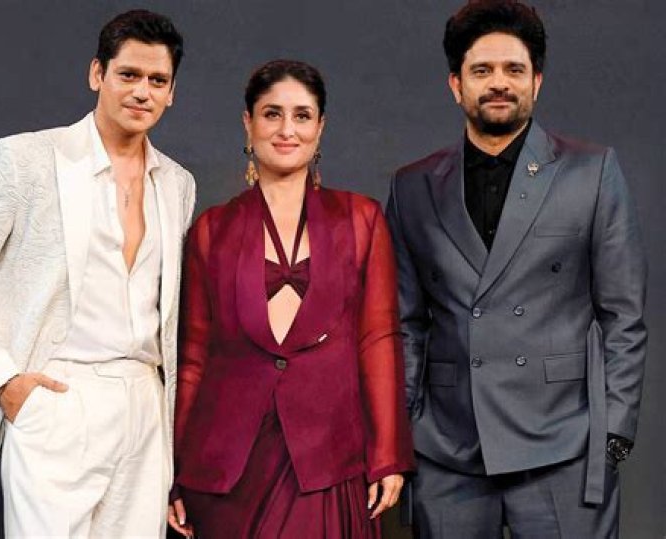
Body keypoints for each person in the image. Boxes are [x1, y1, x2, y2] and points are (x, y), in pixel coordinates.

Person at [387, 1, 647, 537]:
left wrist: (613, 435)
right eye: (482, 70)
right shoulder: (412, 186)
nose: (499, 83)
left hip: (564, 446)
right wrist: (403, 429)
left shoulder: (591, 172)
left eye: (514, 69)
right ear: (456, 85)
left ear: (537, 81)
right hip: (448, 450)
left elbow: (623, 316)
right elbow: (404, 323)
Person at [0, 10, 195, 538]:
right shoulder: (27, 159)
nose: (142, 92)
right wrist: (3, 381)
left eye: (157, 81)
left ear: (172, 93)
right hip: (58, 395)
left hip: (146, 405)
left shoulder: (177, 183)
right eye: (128, 75)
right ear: (97, 74)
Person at [167, 59, 414, 538]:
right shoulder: (212, 230)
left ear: (321, 127)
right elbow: (193, 358)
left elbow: (379, 340)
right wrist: (174, 471)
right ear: (248, 122)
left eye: (302, 115)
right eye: (272, 114)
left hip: (329, 462)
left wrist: (388, 456)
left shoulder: (360, 220)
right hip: (227, 470)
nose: (287, 129)